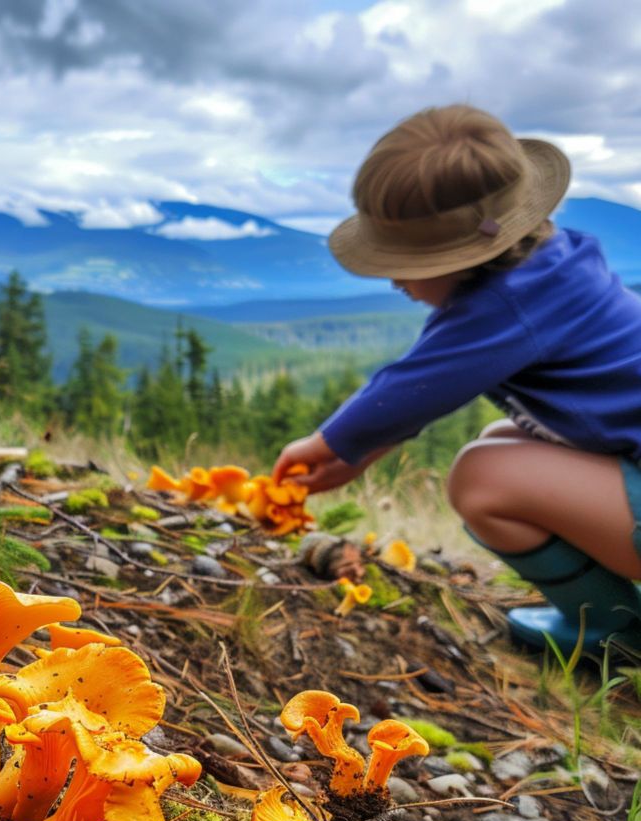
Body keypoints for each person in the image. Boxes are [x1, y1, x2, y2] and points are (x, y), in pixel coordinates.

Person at [272, 104, 641, 654]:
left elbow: (409, 387)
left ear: (467, 255)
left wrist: (323, 445)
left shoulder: (509, 307)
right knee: (500, 443)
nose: (393, 277)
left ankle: (614, 635)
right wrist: (357, 455)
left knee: (481, 478)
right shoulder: (553, 265)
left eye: (403, 261)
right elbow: (426, 391)